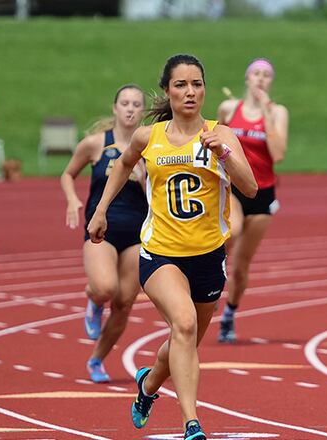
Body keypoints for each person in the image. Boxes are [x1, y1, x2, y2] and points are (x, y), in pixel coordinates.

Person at [87, 54, 257, 440]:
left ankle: (147, 385)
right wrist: (100, 211)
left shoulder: (221, 135)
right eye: (181, 85)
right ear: (168, 91)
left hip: (209, 256)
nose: (190, 92)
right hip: (161, 254)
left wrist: (224, 154)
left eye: (197, 84)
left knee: (184, 343)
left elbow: (250, 188)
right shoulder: (151, 137)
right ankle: (191, 423)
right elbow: (123, 165)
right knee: (182, 325)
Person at [60, 84, 148, 383]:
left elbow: (162, 196)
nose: (130, 108)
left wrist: (145, 180)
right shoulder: (97, 144)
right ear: (115, 108)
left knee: (124, 301)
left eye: (136, 104)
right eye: (125, 102)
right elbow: (68, 174)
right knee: (105, 287)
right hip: (102, 230)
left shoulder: (151, 148)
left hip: (138, 233)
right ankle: (93, 298)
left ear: (142, 112)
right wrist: (73, 199)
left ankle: (97, 358)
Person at [216, 58, 289, 343]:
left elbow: (278, 153)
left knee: (242, 266)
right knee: (231, 231)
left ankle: (230, 314)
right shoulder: (229, 109)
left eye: (266, 75)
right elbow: (214, 139)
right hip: (233, 187)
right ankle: (209, 269)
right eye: (256, 74)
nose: (260, 79)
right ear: (247, 78)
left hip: (262, 193)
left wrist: (268, 114)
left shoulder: (279, 112)